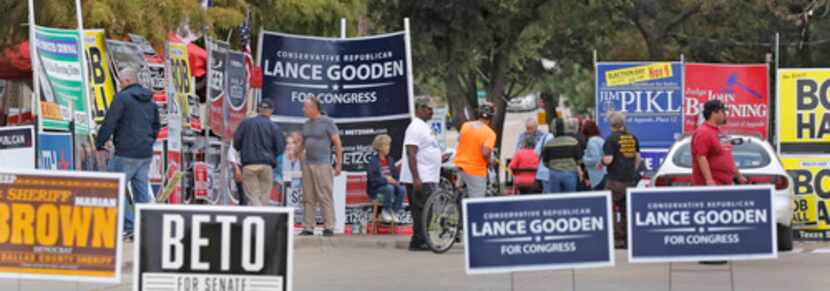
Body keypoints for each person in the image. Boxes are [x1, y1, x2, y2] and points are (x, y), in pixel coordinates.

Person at [95, 66, 160, 240]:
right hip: (145, 153)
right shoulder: (150, 101)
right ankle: (143, 228)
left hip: (125, 152)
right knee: (141, 192)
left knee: (114, 188)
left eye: (120, 82)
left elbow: (110, 122)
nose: (119, 85)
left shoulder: (122, 98)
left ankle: (129, 226)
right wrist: (148, 142)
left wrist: (100, 142)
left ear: (127, 81)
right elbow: (156, 126)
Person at [400, 96, 443, 251]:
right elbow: (411, 152)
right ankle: (419, 241)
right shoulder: (415, 127)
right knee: (423, 210)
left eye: (432, 109)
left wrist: (439, 157)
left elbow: (425, 150)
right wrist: (416, 177)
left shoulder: (424, 126)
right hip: (419, 178)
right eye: (428, 108)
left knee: (425, 210)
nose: (431, 111)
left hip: (427, 175)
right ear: (420, 109)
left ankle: (419, 240)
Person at [298, 97, 343, 237]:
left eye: (305, 107)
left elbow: (337, 143)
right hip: (308, 164)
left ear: (314, 108)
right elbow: (303, 143)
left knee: (325, 196)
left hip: (323, 164)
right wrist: (299, 157)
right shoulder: (306, 124)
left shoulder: (327, 122)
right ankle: (308, 227)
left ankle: (329, 226)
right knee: (308, 196)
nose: (303, 110)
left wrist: (338, 164)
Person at [233, 100, 285, 206]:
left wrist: (243, 148)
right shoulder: (274, 127)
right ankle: (262, 218)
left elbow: (236, 143)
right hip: (267, 165)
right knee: (264, 197)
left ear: (258, 110)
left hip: (249, 165)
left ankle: (256, 218)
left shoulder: (245, 123)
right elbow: (280, 148)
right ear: (271, 111)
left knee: (253, 197)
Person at [602, 111, 641, 249]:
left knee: (609, 209)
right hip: (630, 180)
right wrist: (632, 171)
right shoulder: (633, 137)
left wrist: (601, 162)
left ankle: (616, 240)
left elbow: (609, 160)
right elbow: (637, 158)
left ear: (610, 124)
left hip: (615, 181)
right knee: (626, 211)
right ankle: (627, 240)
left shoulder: (610, 139)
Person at [692, 99, 747, 186]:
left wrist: (738, 176)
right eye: (723, 112)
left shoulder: (719, 132)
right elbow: (701, 157)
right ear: (714, 113)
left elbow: (727, 156)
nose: (725, 115)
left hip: (724, 184)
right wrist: (709, 180)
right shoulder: (703, 132)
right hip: (712, 187)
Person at [453, 103, 497, 198]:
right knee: (477, 203)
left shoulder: (465, 125)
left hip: (459, 165)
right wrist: (489, 161)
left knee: (459, 192)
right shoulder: (490, 133)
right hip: (475, 170)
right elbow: (485, 152)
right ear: (491, 117)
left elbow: (459, 140)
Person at [367, 134, 406, 223]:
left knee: (402, 189)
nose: (389, 147)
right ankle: (386, 211)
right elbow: (372, 180)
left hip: (390, 187)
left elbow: (396, 175)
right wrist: (386, 180)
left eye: (389, 145)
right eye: (387, 145)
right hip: (376, 190)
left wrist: (396, 181)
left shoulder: (390, 160)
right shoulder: (373, 161)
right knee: (389, 188)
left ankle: (394, 212)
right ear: (380, 147)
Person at [541, 118, 584, 193]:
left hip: (554, 174)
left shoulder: (548, 144)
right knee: (570, 198)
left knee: (556, 200)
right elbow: (579, 160)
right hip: (570, 173)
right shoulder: (574, 142)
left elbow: (545, 163)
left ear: (553, 129)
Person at [581, 119, 606, 190]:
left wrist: (584, 159)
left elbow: (596, 159)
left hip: (597, 176)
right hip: (604, 174)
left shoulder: (591, 141)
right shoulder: (601, 139)